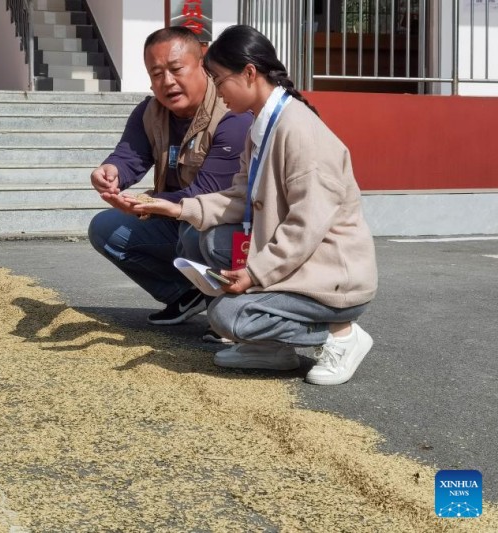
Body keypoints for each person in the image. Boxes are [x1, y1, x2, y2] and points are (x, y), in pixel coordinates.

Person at [129, 24, 378, 386]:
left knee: (229, 317)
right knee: (209, 241)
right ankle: (272, 348)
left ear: (249, 73)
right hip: (302, 267)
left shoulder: (299, 131)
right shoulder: (263, 127)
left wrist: (255, 274)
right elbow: (240, 198)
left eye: (218, 78)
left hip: (332, 281)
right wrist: (178, 209)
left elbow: (304, 227)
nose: (215, 90)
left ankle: (340, 334)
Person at [88, 27, 253, 335]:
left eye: (176, 69)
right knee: (105, 228)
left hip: (229, 224)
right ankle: (185, 293)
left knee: (195, 234)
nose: (167, 82)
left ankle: (227, 312)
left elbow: (206, 194)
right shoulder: (149, 112)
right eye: (156, 73)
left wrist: (145, 203)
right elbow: (129, 156)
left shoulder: (232, 113)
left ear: (201, 63)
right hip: (176, 215)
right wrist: (111, 171)